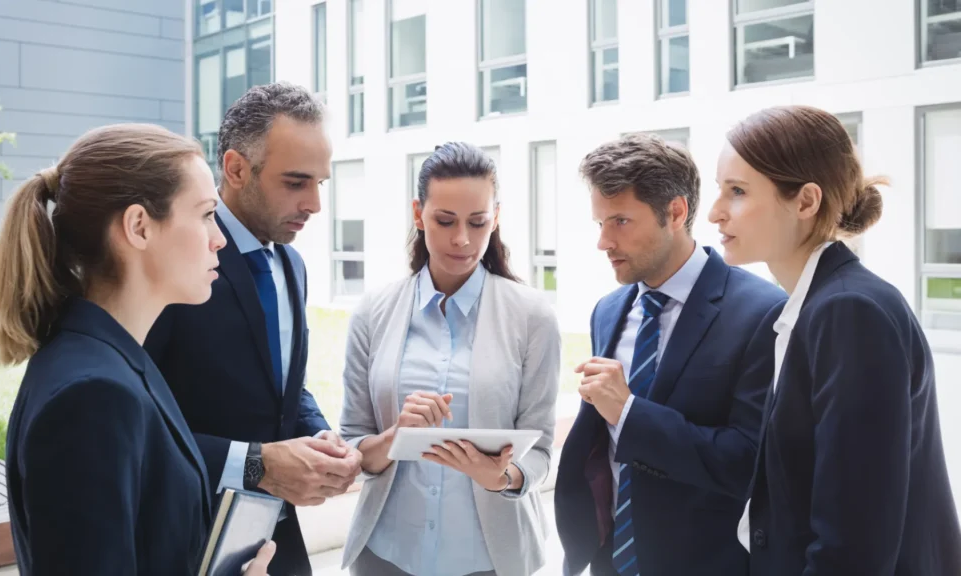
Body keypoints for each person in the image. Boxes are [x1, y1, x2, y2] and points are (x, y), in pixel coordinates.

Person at [0, 124, 275, 575]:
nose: (218, 237)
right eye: (205, 214)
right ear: (139, 226)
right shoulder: (92, 395)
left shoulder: (109, 359)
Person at [710, 104, 961, 575]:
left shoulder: (848, 312)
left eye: (737, 191)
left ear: (805, 202)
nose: (715, 212)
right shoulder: (818, 305)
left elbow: (853, 543)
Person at [144, 82, 361, 576]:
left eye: (319, 184)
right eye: (295, 182)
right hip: (185, 535)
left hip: (275, 534)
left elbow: (282, 385)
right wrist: (256, 462)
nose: (314, 204)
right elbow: (137, 424)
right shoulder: (173, 265)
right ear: (237, 168)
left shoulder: (294, 265)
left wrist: (320, 437)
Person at [555, 134, 787, 576]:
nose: (603, 242)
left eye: (620, 221)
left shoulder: (762, 313)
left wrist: (628, 412)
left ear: (676, 212)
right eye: (599, 223)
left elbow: (749, 461)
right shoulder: (607, 310)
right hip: (609, 560)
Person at [337, 142, 560, 576]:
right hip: (387, 555)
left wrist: (502, 477)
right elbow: (353, 443)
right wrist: (396, 436)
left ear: (495, 218)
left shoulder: (533, 317)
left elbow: (541, 451)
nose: (462, 239)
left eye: (478, 223)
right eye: (445, 221)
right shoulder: (373, 312)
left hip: (489, 561)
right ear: (418, 213)